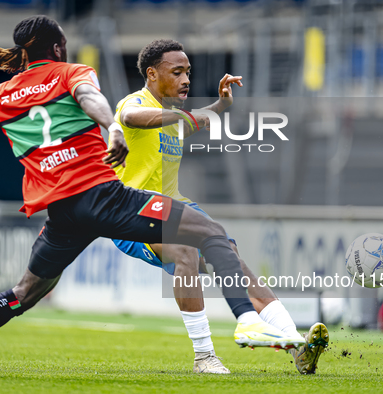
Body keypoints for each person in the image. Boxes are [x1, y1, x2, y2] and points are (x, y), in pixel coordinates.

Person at [0, 16, 302, 376]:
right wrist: (111, 126)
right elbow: (94, 99)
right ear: (57, 47)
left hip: (62, 214)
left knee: (22, 294)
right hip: (104, 197)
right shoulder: (71, 72)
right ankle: (245, 318)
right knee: (209, 231)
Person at [111, 39, 329, 374]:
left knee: (232, 259)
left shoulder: (173, 114)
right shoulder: (136, 103)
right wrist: (177, 113)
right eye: (177, 72)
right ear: (152, 74)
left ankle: (295, 344)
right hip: (133, 211)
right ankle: (204, 357)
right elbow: (130, 116)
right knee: (185, 252)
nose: (186, 80)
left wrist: (221, 104)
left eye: (189, 72)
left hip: (175, 204)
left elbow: (194, 120)